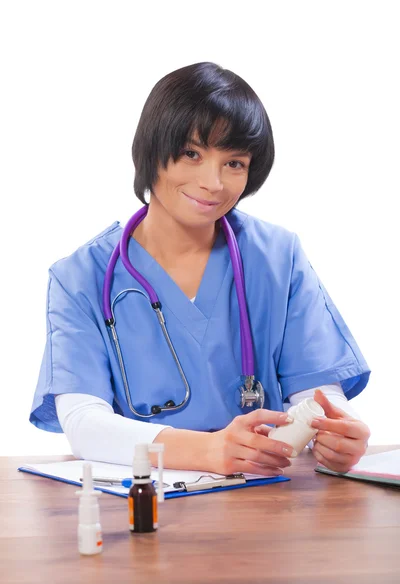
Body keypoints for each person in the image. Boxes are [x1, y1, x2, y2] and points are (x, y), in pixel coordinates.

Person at [30, 62, 371, 476]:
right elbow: (84, 422)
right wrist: (208, 451)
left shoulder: (278, 256)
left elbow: (314, 393)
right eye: (192, 154)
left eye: (235, 163)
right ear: (152, 152)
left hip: (262, 505)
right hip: (142, 505)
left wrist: (330, 432)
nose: (213, 182)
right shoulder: (82, 277)